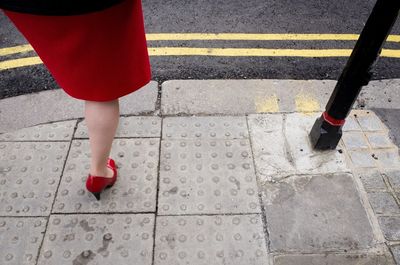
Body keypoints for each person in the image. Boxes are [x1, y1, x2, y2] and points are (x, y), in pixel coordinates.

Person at [0, 0, 151, 200]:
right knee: (103, 89)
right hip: (96, 7)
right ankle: (99, 171)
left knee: (80, 65)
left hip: (27, 8)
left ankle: (101, 167)